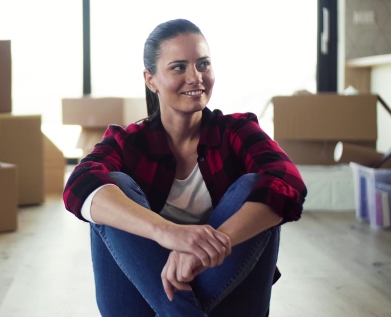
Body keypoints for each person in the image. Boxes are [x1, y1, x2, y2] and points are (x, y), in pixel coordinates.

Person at [63, 19, 307, 317]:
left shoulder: (237, 131)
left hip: (229, 289)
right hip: (142, 294)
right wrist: (168, 233)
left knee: (254, 186)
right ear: (150, 79)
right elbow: (78, 185)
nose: (195, 77)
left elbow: (289, 183)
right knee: (112, 187)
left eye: (203, 64)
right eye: (179, 67)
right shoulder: (129, 142)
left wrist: (206, 249)